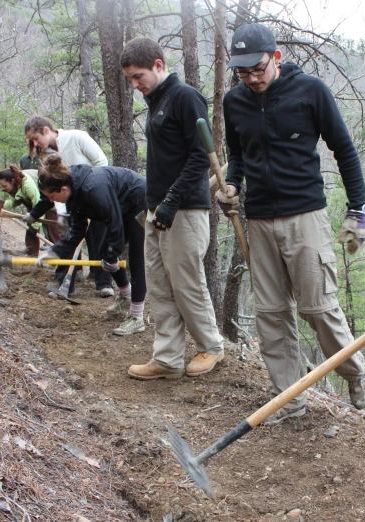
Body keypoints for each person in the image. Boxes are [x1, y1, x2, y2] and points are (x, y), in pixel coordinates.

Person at [218, 23, 365, 425]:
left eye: (258, 69)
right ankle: (290, 400)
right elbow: (237, 155)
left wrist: (358, 208)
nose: (251, 78)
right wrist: (231, 184)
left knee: (318, 307)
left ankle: (354, 372)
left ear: (276, 58)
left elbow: (344, 149)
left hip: (305, 216)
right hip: (260, 219)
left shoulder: (310, 91)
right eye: (243, 72)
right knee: (271, 313)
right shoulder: (234, 101)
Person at [120, 37, 225, 379]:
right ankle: (167, 358)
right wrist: (156, 206)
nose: (135, 85)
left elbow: (202, 157)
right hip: (157, 209)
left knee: (186, 282)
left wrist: (171, 202)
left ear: (158, 65)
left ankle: (210, 346)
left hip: (184, 210)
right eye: (131, 80)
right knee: (160, 285)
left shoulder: (185, 97)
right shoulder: (156, 101)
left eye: (139, 77)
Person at [35, 153, 148, 336]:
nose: (51, 200)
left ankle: (137, 318)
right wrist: (55, 252)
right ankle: (126, 296)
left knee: (135, 259)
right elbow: (77, 230)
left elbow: (115, 223)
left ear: (63, 189)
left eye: (52, 195)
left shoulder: (93, 188)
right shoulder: (74, 194)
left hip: (139, 201)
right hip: (119, 207)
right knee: (104, 251)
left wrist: (112, 255)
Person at [23, 116, 114, 297]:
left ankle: (104, 284)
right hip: (72, 203)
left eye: (35, 138)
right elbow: (55, 187)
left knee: (100, 239)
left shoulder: (77, 137)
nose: (34, 143)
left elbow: (102, 163)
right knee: (70, 240)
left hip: (97, 198)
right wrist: (62, 213)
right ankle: (65, 284)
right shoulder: (47, 155)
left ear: (46, 130)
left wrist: (92, 194)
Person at [0, 165, 46, 256]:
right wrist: (2, 205)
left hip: (47, 200)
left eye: (4, 185)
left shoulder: (27, 184)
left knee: (52, 230)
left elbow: (38, 203)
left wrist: (36, 225)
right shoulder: (14, 186)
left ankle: (59, 258)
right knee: (31, 225)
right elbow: (14, 201)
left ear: (12, 181)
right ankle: (31, 253)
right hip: (34, 203)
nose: (3, 188)